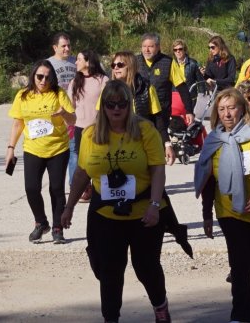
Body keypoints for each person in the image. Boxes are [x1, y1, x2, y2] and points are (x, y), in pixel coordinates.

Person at [61, 80, 172, 323]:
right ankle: (110, 318)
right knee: (109, 271)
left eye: (122, 104)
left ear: (129, 105)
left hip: (144, 211)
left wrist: (155, 206)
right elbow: (82, 173)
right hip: (106, 213)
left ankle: (160, 308)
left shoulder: (145, 131)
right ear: (104, 106)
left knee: (146, 268)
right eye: (110, 105)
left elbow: (157, 170)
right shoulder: (91, 133)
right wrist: (69, 207)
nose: (116, 109)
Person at [194, 88, 250, 323]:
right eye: (221, 109)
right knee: (240, 265)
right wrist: (206, 215)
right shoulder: (214, 141)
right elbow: (208, 181)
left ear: (242, 109)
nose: (226, 114)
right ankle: (240, 316)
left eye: (231, 108)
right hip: (230, 211)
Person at [6, 60, 76, 243]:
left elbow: (73, 120)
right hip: (32, 149)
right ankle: (41, 223)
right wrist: (10, 148)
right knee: (31, 188)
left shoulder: (58, 94)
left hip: (58, 149)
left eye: (47, 77)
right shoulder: (23, 95)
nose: (43, 80)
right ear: (33, 76)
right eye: (39, 76)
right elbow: (17, 123)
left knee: (56, 189)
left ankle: (57, 228)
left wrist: (63, 114)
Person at [137, 33, 195, 164]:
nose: (146, 50)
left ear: (158, 47)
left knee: (157, 148)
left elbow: (182, 87)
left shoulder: (167, 62)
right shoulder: (135, 62)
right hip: (140, 112)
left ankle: (156, 177)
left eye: (150, 47)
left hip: (161, 113)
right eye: (144, 46)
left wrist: (189, 110)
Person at [67, 50, 109, 199]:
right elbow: (69, 106)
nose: (76, 62)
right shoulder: (74, 82)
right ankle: (85, 188)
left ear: (88, 62)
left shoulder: (103, 80)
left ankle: (101, 187)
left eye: (79, 59)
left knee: (99, 158)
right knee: (81, 160)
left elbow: (107, 104)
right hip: (79, 127)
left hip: (98, 127)